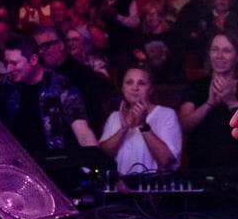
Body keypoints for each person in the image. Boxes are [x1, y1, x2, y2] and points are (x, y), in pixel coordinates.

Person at [98, 67, 182, 176]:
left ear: (151, 89)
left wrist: (143, 125)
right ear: (123, 88)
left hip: (153, 188)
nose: (135, 88)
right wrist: (124, 129)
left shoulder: (167, 114)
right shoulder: (114, 117)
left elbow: (166, 161)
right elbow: (103, 157)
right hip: (120, 188)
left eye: (141, 83)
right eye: (129, 83)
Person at [178, 33, 238, 172]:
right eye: (214, 49)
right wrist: (209, 104)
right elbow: (184, 126)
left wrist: (232, 102)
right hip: (200, 167)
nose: (219, 56)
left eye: (226, 50)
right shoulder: (196, 86)